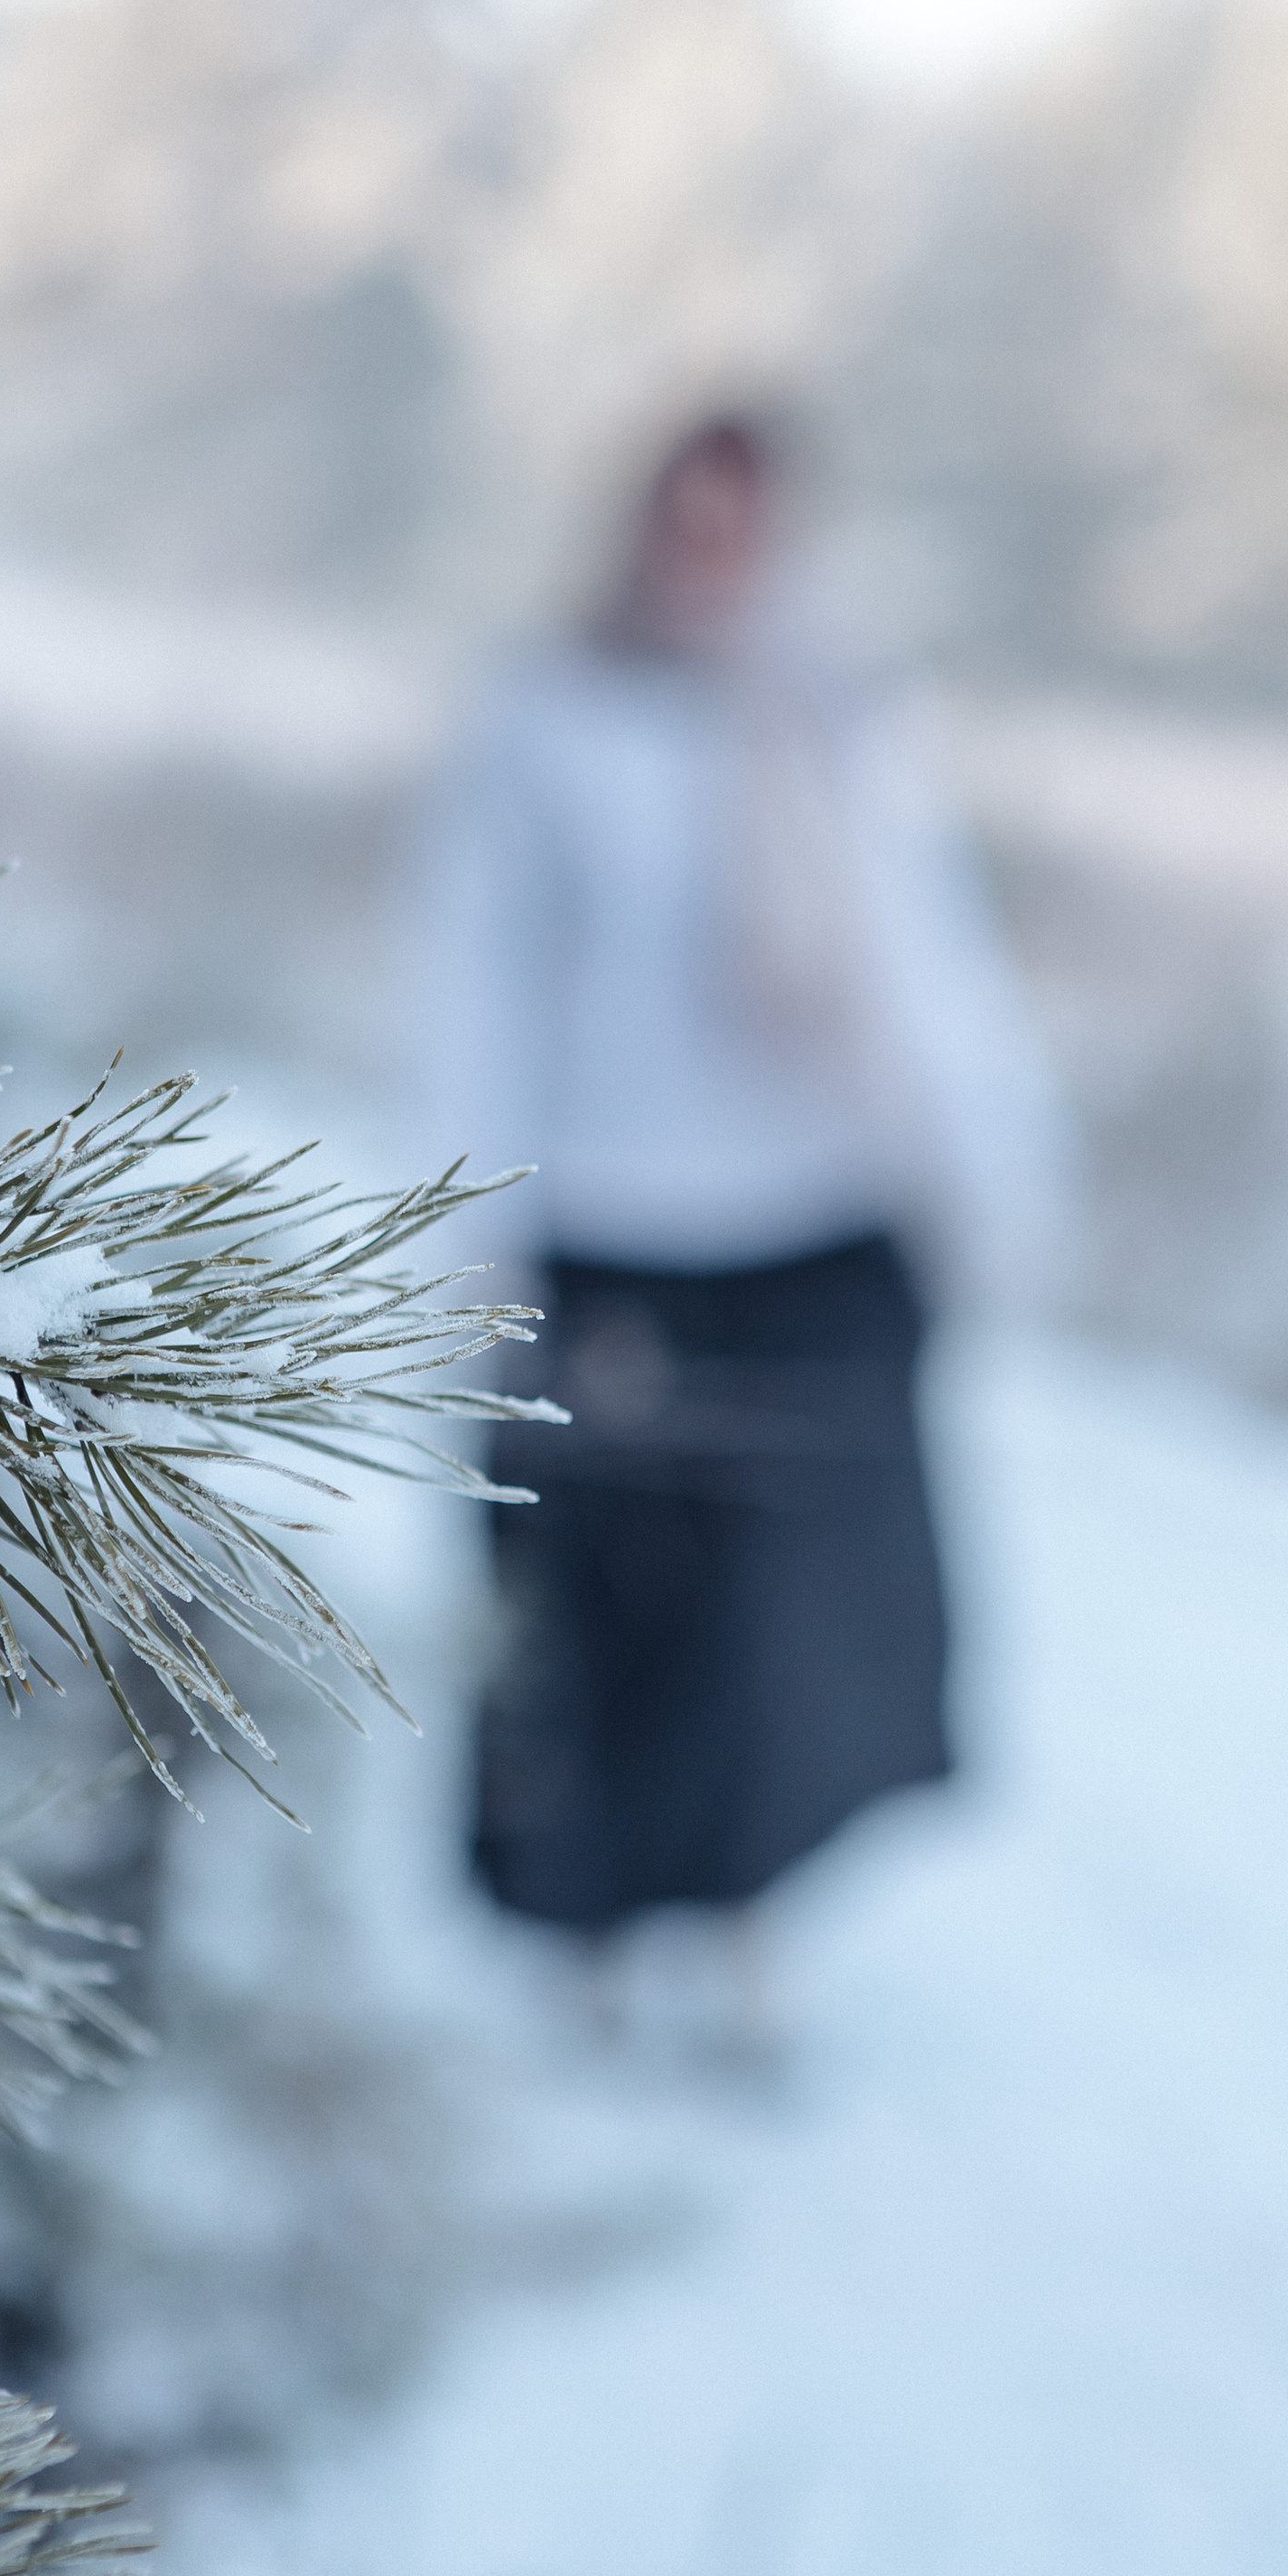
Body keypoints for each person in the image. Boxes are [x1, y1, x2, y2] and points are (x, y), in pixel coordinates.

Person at [417, 410, 1063, 2029]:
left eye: (744, 526)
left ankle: (747, 1913)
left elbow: (933, 966)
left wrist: (991, 1174)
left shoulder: (842, 711)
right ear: (639, 525)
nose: (713, 557)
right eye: (686, 523)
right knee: (604, 1612)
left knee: (790, 1627)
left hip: (815, 1226)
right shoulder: (549, 714)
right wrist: (463, 1230)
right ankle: (591, 1930)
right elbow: (475, 983)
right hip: (616, 1226)